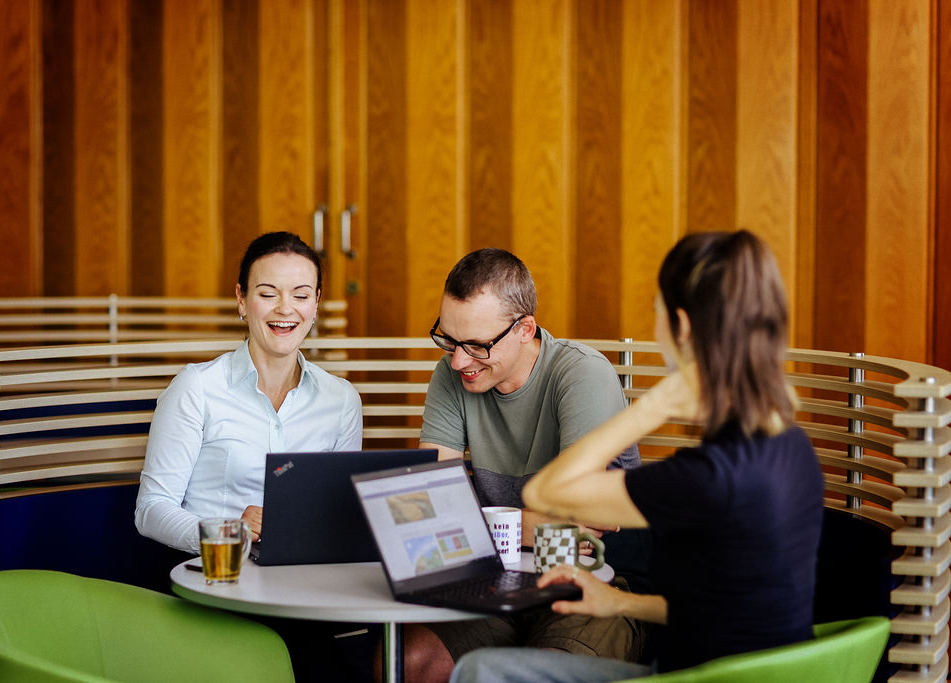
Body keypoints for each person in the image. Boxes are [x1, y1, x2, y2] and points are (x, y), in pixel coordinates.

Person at [449, 230, 825, 682]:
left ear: (681, 327)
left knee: (480, 671)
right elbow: (735, 605)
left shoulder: (707, 478)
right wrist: (621, 603)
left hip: (699, 678)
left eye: (657, 314)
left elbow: (547, 490)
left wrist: (655, 405)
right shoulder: (790, 447)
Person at [397, 247, 645, 683]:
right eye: (449, 340)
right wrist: (529, 525)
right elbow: (432, 508)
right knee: (409, 663)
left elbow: (584, 522)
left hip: (595, 581)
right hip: (494, 582)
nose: (458, 361)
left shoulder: (581, 374)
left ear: (524, 329)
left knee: (536, 672)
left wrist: (472, 525)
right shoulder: (453, 373)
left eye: (476, 345)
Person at [135, 231, 362, 554]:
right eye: (268, 294)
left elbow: (340, 511)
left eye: (301, 296)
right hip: (218, 575)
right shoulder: (196, 388)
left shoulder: (342, 400)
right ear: (241, 300)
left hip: (304, 578)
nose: (286, 309)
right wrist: (227, 534)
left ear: (316, 305)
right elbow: (151, 510)